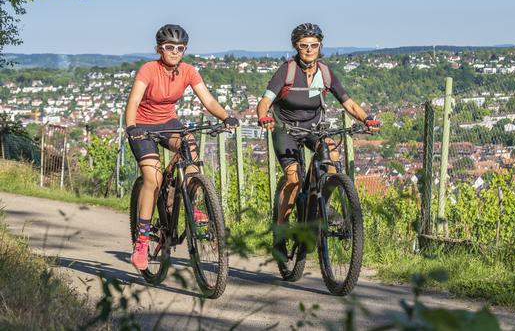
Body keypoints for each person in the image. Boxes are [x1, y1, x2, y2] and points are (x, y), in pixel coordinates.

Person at [125, 24, 238, 271]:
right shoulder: (148, 70)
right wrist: (132, 127)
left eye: (179, 48)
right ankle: (142, 242)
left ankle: (192, 204)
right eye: (169, 47)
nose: (174, 52)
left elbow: (207, 99)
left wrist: (225, 117)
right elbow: (133, 100)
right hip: (143, 126)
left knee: (189, 148)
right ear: (159, 49)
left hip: (169, 123)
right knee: (152, 179)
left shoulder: (188, 71)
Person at [256, 23, 380, 226]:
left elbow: (348, 103)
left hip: (313, 128)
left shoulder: (325, 73)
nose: (309, 50)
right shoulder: (286, 71)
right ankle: (281, 228)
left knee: (331, 153)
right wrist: (263, 117)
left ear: (320, 46)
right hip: (286, 129)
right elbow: (265, 101)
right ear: (296, 47)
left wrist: (367, 119)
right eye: (304, 45)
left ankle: (325, 204)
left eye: (314, 45)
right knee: (293, 179)